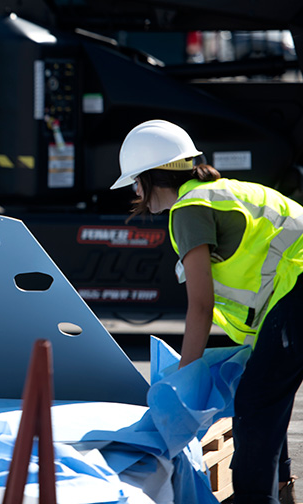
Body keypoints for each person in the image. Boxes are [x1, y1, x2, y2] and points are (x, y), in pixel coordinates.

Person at [113, 119, 303, 504]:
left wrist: (184, 382)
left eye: (135, 181)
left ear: (151, 177)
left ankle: (254, 498)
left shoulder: (189, 209)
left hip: (298, 296)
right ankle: (281, 485)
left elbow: (201, 305)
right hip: (294, 297)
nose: (135, 191)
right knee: (265, 390)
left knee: (255, 398)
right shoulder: (219, 193)